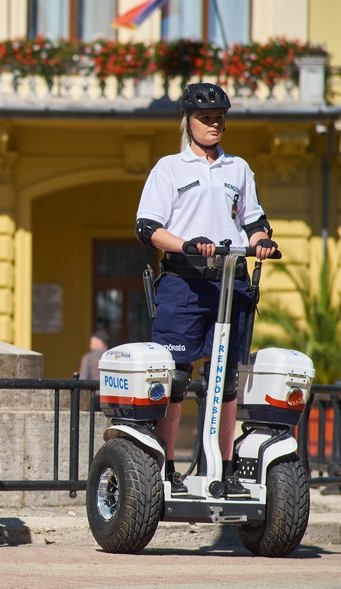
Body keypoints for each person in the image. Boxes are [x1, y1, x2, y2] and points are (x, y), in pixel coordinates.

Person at [134, 82, 277, 498]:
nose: (215, 125)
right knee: (177, 378)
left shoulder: (239, 169)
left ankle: (224, 467)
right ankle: (165, 466)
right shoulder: (169, 168)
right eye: (206, 119)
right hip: (184, 282)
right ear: (189, 122)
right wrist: (187, 244)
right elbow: (148, 229)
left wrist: (262, 241)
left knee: (227, 379)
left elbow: (254, 221)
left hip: (232, 282)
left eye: (220, 118)